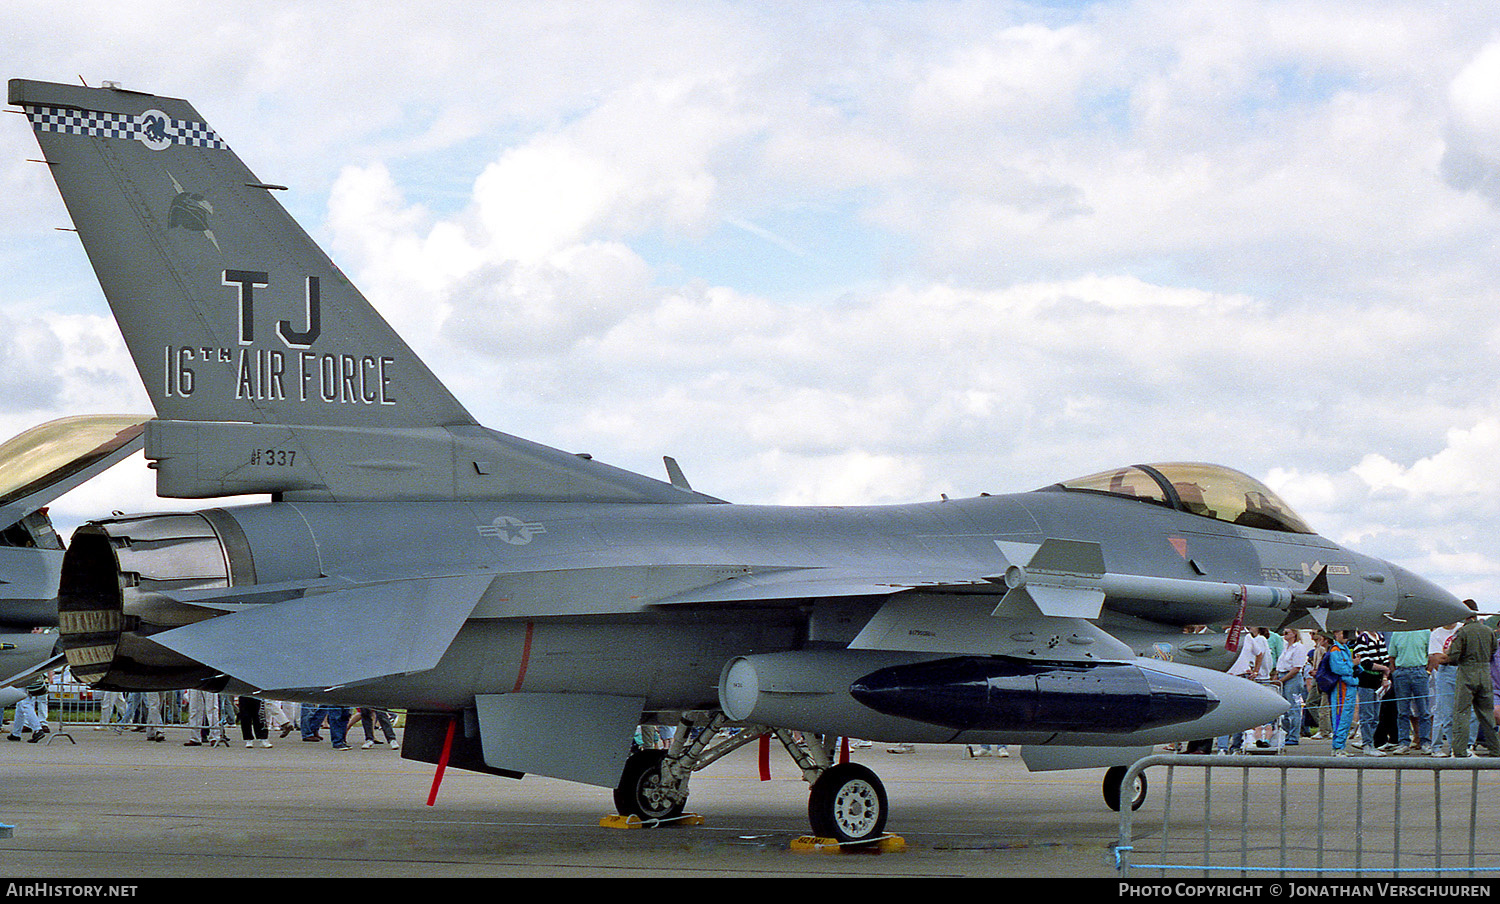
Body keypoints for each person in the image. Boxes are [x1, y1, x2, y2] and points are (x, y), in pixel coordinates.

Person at [1443, 600, 1500, 758]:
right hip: (1485, 673)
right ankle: (1496, 748)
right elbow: (1493, 650)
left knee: (1462, 712)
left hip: (1467, 672)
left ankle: (1460, 750)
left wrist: (1448, 655)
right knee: (1487, 713)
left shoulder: (1463, 632)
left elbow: (1454, 655)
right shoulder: (1488, 631)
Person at [1388, 627, 1433, 754]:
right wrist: (1395, 672)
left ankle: (1425, 742)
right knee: (1402, 711)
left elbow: (1430, 654)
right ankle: (1403, 743)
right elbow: (1392, 655)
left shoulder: (1425, 632)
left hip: (1419, 671)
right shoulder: (1397, 632)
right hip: (1401, 672)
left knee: (1424, 710)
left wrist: (1427, 672)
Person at [1349, 630, 1391, 755]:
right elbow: (1366, 663)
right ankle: (1367, 743)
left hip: (1378, 681)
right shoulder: (1363, 638)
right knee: (1367, 715)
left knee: (1375, 716)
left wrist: (1384, 677)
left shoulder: (1380, 637)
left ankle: (1370, 742)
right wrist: (1384, 668)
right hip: (1366, 680)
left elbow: (1385, 658)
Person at [1272, 628, 1310, 747]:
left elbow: (1296, 668)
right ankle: (1286, 733)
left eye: (1287, 633)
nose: (1284, 635)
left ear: (1294, 634)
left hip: (1292, 678)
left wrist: (1281, 680)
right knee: (1284, 709)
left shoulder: (1298, 647)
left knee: (1294, 707)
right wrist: (1276, 677)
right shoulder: (1285, 647)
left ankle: (1294, 735)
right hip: (1282, 675)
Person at [1323, 631, 1359, 755]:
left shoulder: (1346, 649)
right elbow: (1339, 669)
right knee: (1340, 717)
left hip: (1349, 687)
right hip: (1341, 688)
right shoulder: (1335, 650)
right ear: (1336, 634)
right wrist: (1352, 665)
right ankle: (1338, 747)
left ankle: (1341, 746)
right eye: (1344, 633)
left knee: (1347, 717)